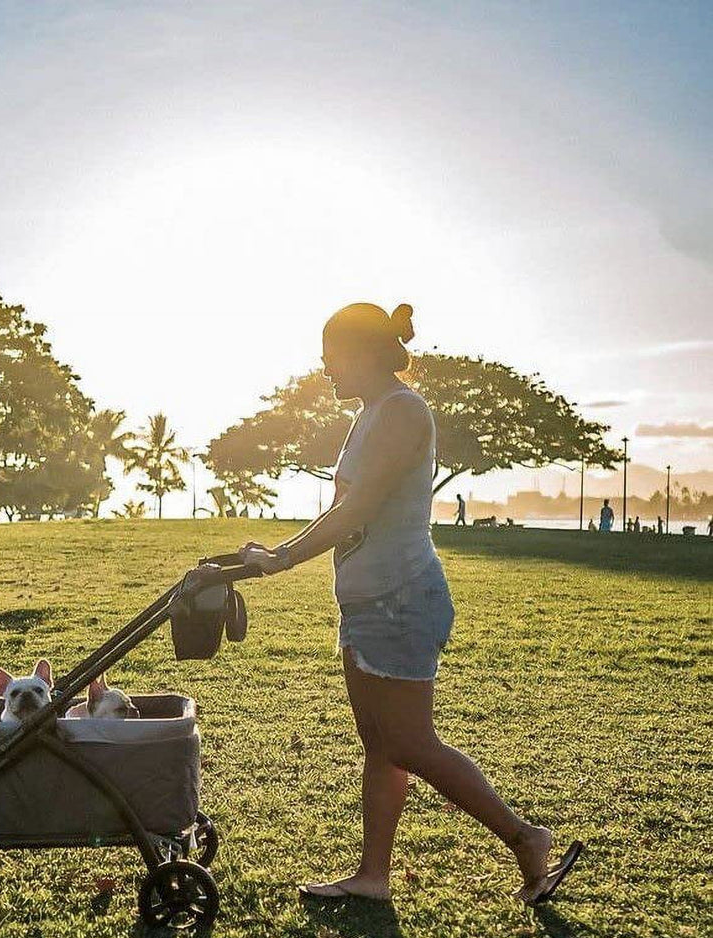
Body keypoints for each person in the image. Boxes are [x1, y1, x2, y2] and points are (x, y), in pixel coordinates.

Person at [235, 301, 579, 905]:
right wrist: (279, 551)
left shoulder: (402, 411)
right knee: (381, 742)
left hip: (400, 598)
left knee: (410, 742)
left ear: (363, 353)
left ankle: (525, 838)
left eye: (331, 357)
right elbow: (350, 507)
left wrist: (283, 558)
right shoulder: (369, 413)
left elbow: (358, 508)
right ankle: (373, 876)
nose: (325, 370)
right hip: (370, 600)